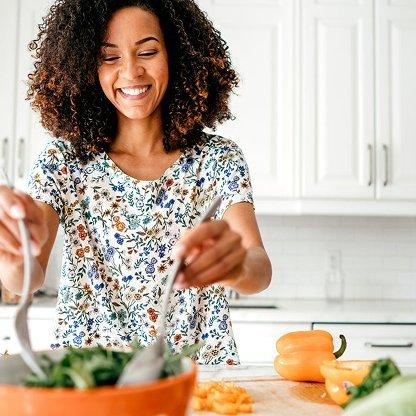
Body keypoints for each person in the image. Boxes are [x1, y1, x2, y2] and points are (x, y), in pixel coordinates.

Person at [0, 0, 272, 365]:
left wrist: (237, 266)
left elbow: (259, 268)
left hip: (196, 378)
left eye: (147, 51)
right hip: (95, 378)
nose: (130, 71)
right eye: (110, 57)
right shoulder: (64, 161)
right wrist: (15, 253)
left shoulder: (217, 159)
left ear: (176, 55)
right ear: (84, 67)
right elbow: (24, 280)